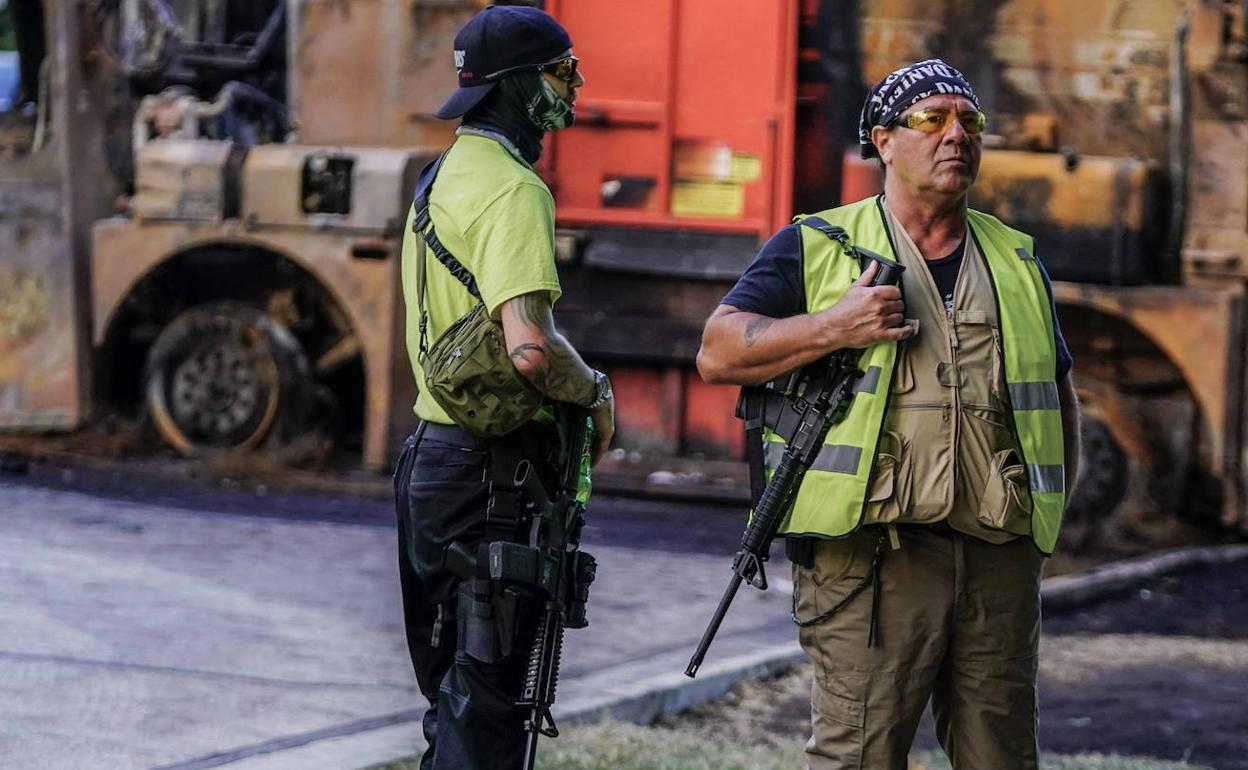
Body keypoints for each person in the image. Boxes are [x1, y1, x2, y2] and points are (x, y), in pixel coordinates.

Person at [698, 59, 1080, 770]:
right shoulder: (815, 244)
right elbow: (718, 352)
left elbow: (1054, 396)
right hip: (871, 558)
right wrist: (832, 326)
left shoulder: (1017, 259)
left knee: (1003, 755)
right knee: (861, 756)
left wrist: (1039, 530)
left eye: (970, 122)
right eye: (932, 119)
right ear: (883, 140)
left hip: (998, 555)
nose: (956, 135)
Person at [392, 6, 614, 769]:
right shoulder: (516, 190)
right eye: (562, 70)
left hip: (432, 467)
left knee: (455, 703)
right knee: (485, 717)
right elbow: (528, 347)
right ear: (517, 84)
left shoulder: (444, 174)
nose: (576, 84)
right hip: (493, 482)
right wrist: (595, 393)